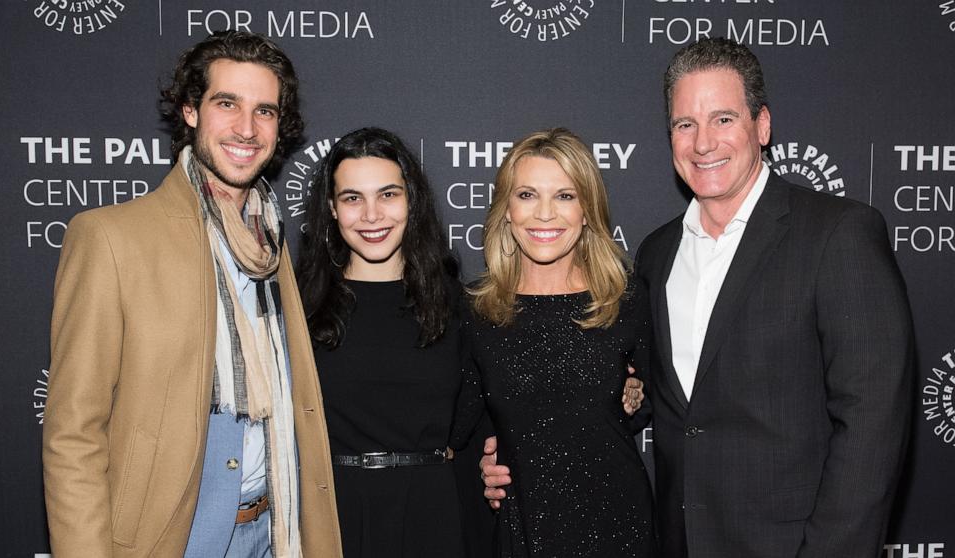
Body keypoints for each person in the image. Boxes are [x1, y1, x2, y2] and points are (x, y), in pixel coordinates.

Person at [482, 38, 915, 558]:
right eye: (686, 124)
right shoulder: (656, 255)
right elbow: (628, 394)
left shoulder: (837, 234)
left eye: (724, 119)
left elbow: (871, 427)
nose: (703, 142)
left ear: (763, 126)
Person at [42, 31, 342, 558]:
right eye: (227, 104)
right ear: (190, 111)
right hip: (174, 536)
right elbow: (74, 435)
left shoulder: (268, 240)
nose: (247, 129)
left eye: (265, 111)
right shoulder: (111, 237)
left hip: (275, 529)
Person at [453, 128, 656, 557]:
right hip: (523, 526)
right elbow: (463, 428)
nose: (545, 214)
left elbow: (653, 403)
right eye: (527, 195)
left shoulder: (626, 301)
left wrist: (635, 395)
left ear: (587, 210)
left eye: (564, 196)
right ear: (506, 210)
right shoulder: (477, 311)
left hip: (619, 526)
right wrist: (483, 466)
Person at [296, 127, 466, 558]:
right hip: (332, 515)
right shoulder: (298, 306)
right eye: (353, 198)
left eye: (388, 194)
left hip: (434, 514)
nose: (372, 215)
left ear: (412, 200)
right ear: (332, 209)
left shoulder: (457, 303)